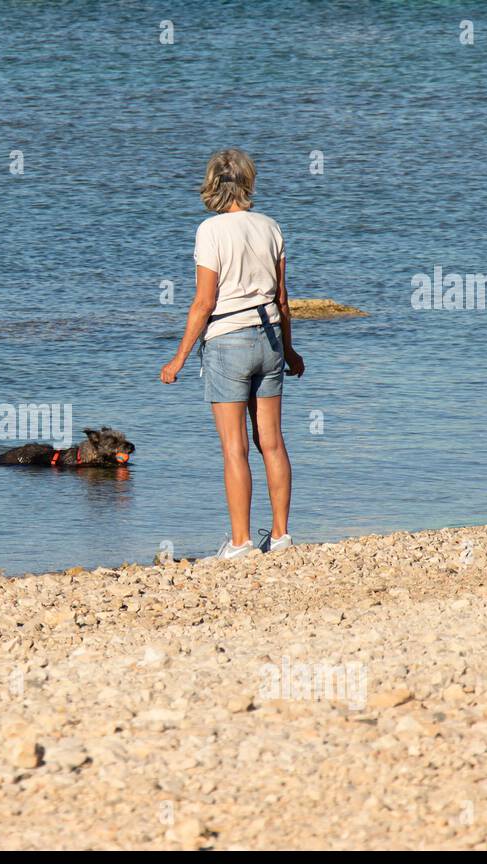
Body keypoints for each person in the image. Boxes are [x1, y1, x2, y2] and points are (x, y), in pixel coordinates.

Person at [160, 148, 305, 559]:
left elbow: (204, 303)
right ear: (248, 181)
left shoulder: (210, 231)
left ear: (212, 183)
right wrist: (291, 350)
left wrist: (178, 359)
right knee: (272, 443)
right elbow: (282, 297)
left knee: (234, 448)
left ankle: (240, 543)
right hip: (270, 337)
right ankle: (281, 537)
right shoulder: (270, 226)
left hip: (228, 341)